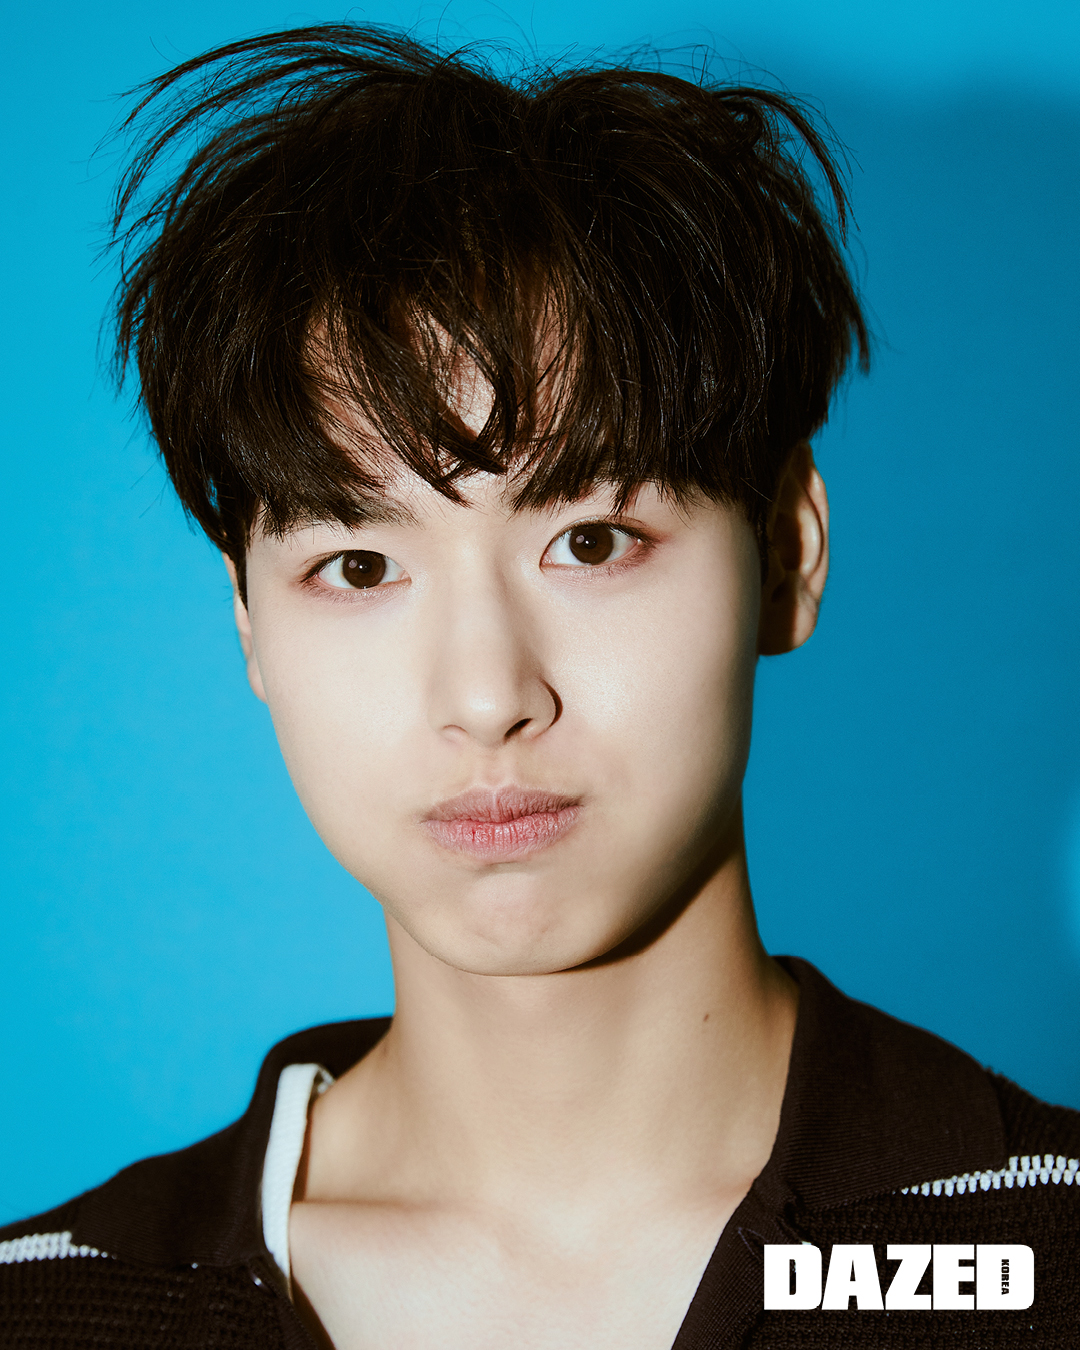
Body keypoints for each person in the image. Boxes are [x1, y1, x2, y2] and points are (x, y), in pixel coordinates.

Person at [1, 22, 1077, 1350]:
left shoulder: (1045, 1264)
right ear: (249, 627)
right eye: (357, 565)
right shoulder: (48, 1307)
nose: (485, 693)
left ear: (787, 554)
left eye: (592, 542)